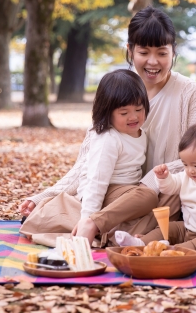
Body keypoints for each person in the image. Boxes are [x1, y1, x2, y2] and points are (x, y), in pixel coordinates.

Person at [19, 7, 196, 245]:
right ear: (130, 50)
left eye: (162, 53)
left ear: (173, 51)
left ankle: (104, 231)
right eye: (144, 52)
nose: (153, 62)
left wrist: (153, 182)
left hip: (161, 194)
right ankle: (108, 231)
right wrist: (45, 195)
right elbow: (89, 165)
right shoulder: (116, 92)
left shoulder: (190, 94)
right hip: (115, 196)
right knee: (85, 202)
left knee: (174, 196)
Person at [19, 69, 157, 245]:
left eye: (139, 109)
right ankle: (93, 226)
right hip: (106, 191)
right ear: (107, 112)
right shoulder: (108, 137)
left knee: (164, 203)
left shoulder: (140, 133)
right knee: (148, 196)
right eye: (124, 113)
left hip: (125, 194)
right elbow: (96, 180)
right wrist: (87, 220)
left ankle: (124, 237)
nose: (133, 117)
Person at [116, 123, 196, 254]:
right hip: (187, 228)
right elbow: (170, 187)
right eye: (185, 164)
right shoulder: (187, 176)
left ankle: (173, 251)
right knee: (168, 228)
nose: (190, 171)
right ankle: (141, 243)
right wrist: (164, 178)